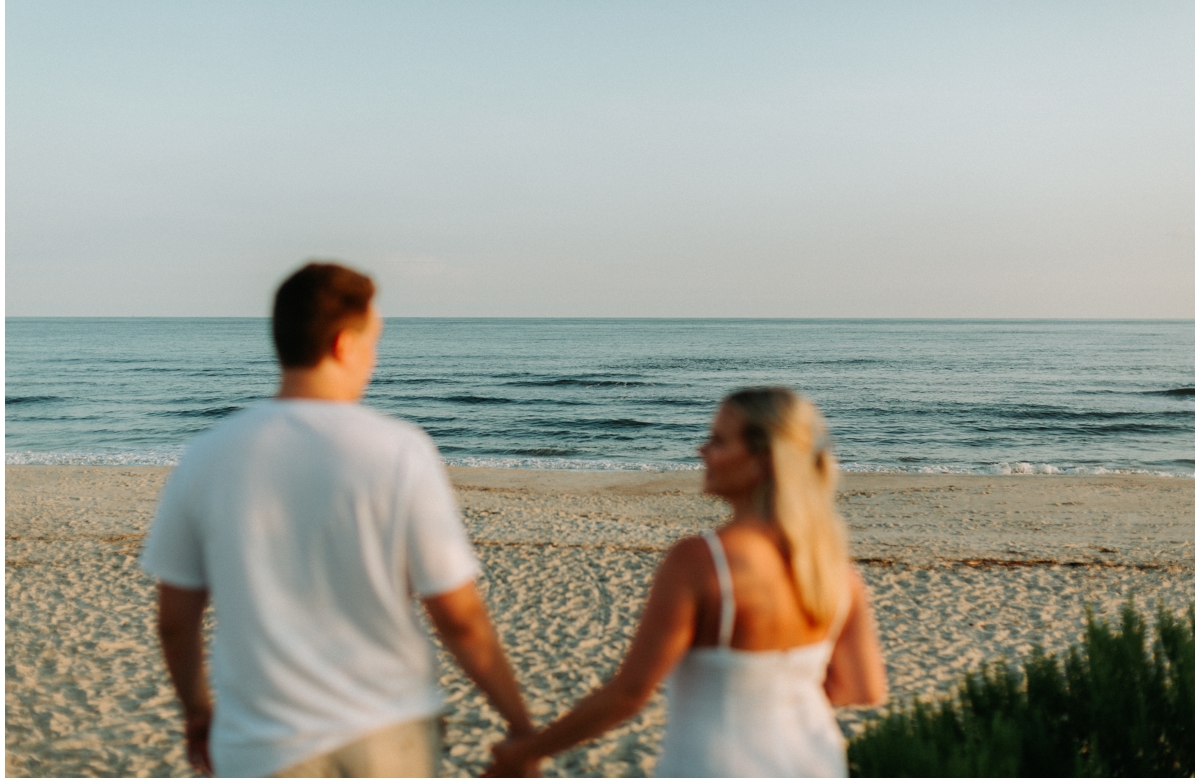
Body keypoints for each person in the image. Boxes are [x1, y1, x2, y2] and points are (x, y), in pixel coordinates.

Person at [141, 262, 534, 777]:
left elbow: (175, 621)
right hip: (384, 731)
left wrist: (198, 712)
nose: (374, 357)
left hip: (259, 746)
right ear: (344, 345)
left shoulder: (207, 456)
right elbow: (458, 616)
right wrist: (521, 726)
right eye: (374, 341)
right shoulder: (399, 451)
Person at [489, 387, 888, 777]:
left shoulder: (703, 560)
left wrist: (526, 753)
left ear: (764, 461)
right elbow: (864, 688)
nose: (702, 451)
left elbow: (629, 694)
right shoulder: (832, 569)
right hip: (816, 764)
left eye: (718, 440)